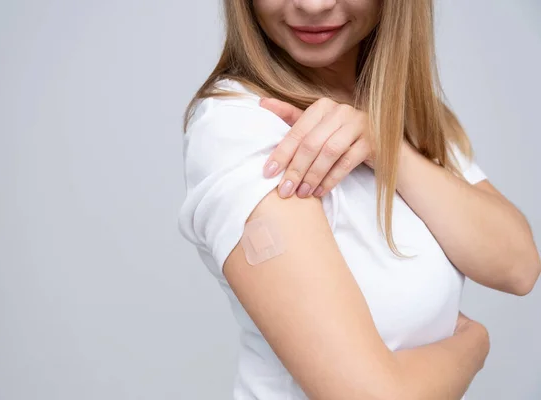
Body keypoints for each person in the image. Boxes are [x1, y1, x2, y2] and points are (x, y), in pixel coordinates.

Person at [177, 1, 541, 399]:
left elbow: (518, 267)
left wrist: (387, 149)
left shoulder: (403, 111)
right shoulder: (245, 127)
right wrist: (474, 345)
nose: (312, 6)